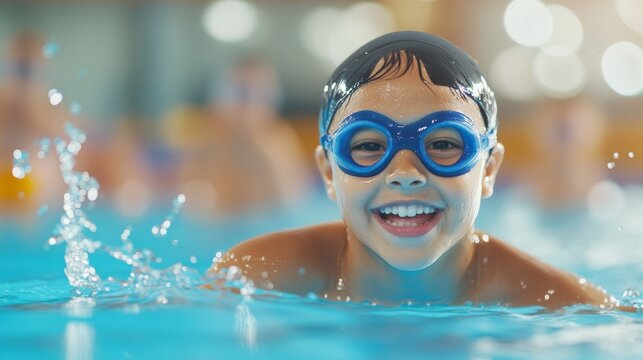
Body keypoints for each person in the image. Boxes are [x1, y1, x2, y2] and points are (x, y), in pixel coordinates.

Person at [208, 31, 614, 309]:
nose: (405, 172)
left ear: (488, 169)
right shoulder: (257, 276)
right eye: (367, 146)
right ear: (329, 173)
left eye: (442, 144)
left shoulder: (562, 306)